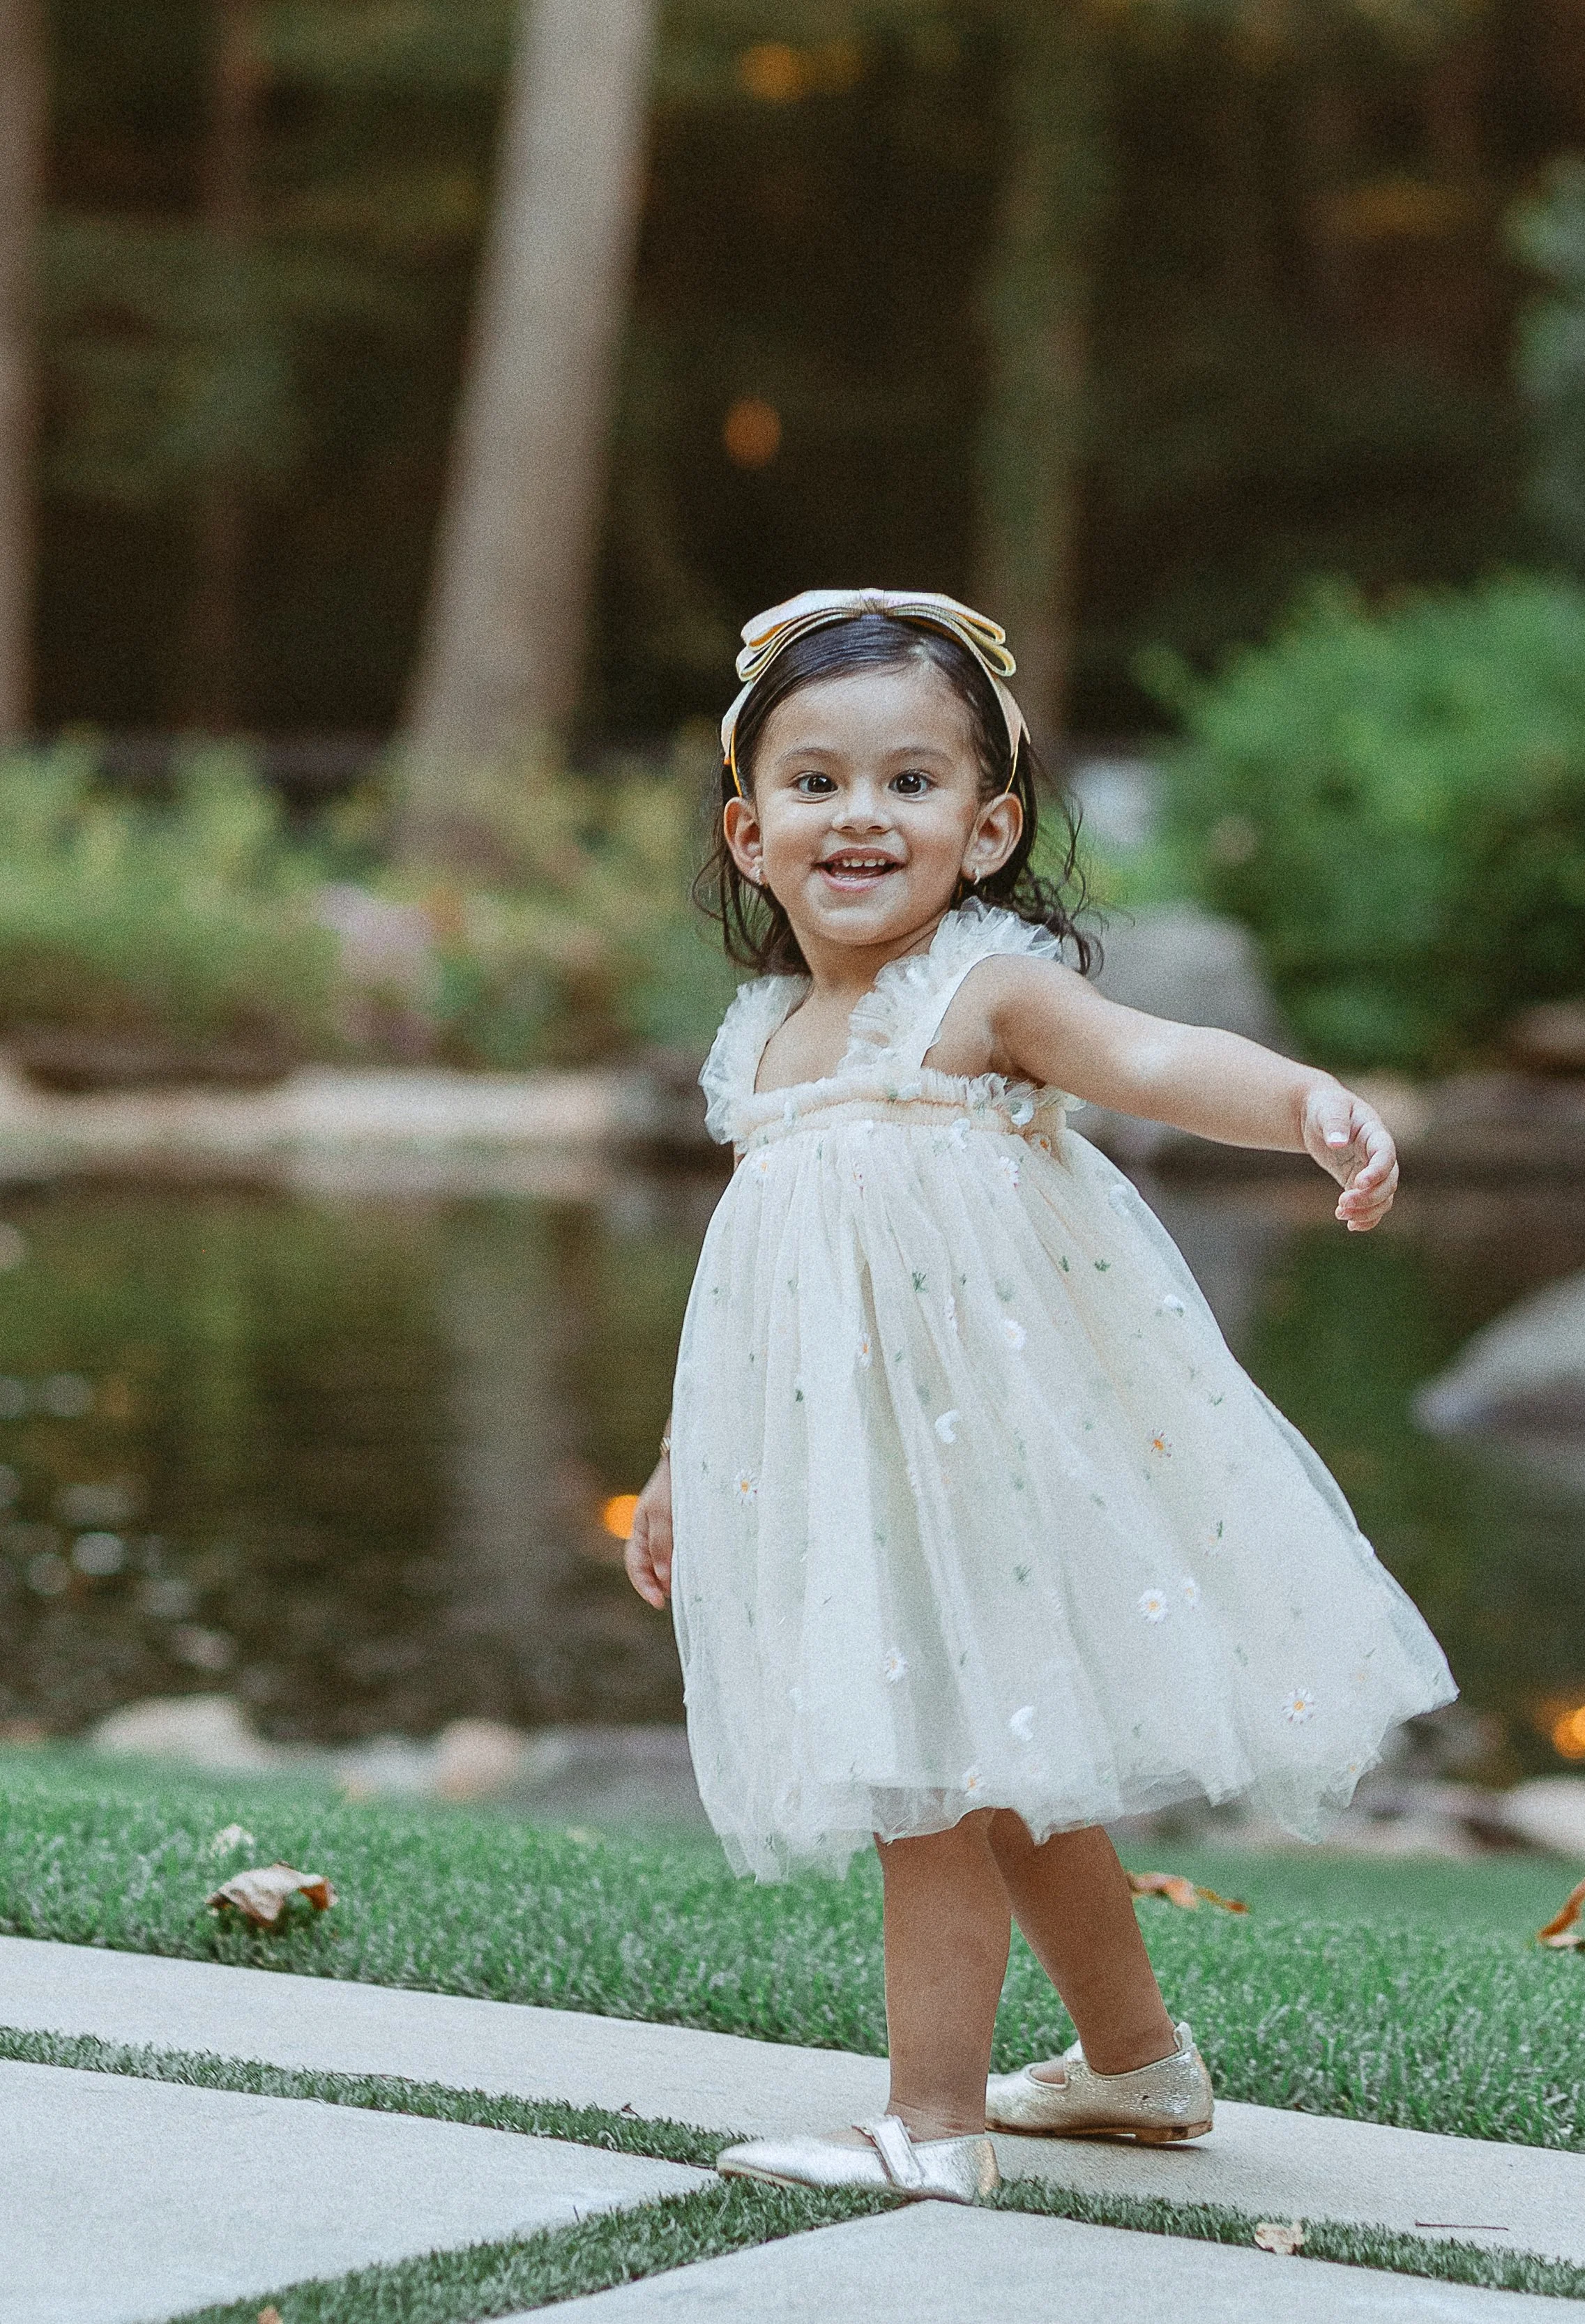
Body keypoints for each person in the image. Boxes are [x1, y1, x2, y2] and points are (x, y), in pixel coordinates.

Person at [625, 588, 1455, 2205]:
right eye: (815, 782)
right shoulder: (764, 1042)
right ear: (746, 830)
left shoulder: (981, 994)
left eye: (910, 782)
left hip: (983, 1472)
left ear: (989, 826)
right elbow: (754, 1296)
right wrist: (677, 1460)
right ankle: (1135, 2066)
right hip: (851, 1481)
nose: (859, 814)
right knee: (1002, 1772)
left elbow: (1150, 1059)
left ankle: (930, 2130)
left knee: (929, 1776)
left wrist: (1304, 1103)